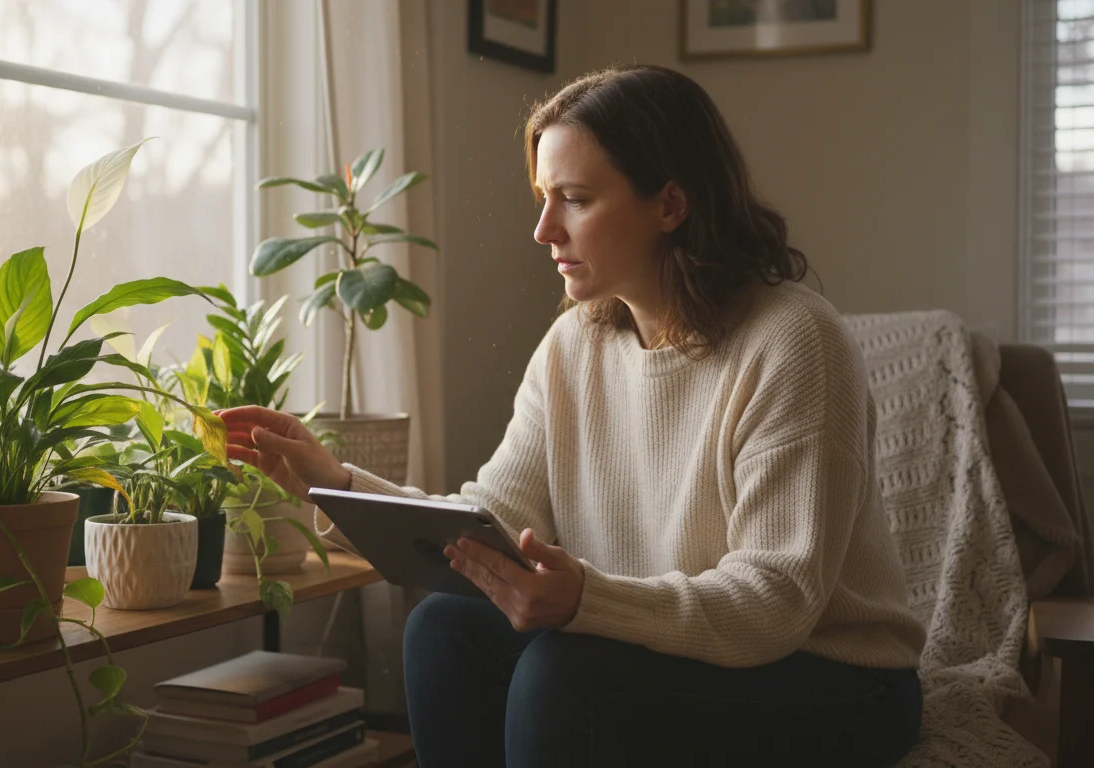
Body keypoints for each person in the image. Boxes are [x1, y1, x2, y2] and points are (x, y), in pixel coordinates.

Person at [219, 65, 926, 768]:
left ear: (671, 203)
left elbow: (775, 602)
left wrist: (588, 600)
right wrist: (332, 483)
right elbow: (485, 525)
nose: (542, 229)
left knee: (563, 678)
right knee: (445, 625)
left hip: (833, 680)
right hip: (669, 649)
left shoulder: (795, 341)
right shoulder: (576, 343)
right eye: (543, 198)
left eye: (575, 199)